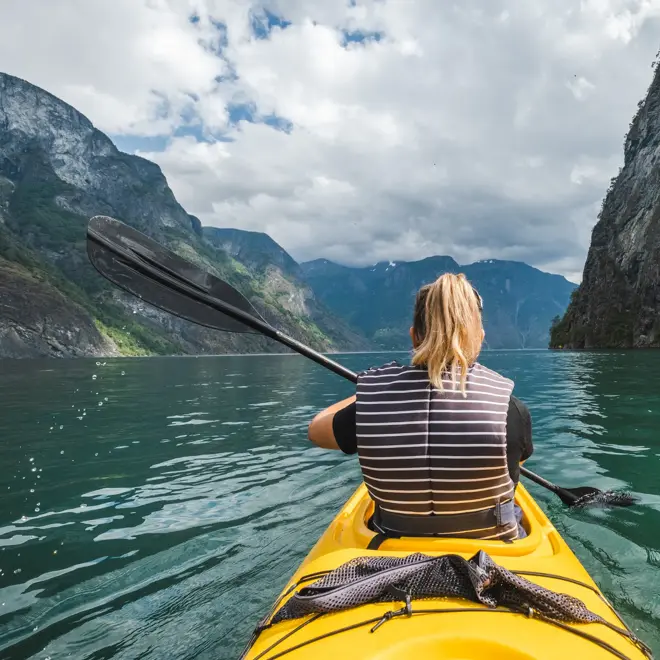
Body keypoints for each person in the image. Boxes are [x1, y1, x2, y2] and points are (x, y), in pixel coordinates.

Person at [307, 273, 533, 541]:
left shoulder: (370, 405)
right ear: (479, 338)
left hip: (392, 556)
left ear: (414, 336)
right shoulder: (511, 409)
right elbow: (517, 460)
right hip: (496, 555)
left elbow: (316, 430)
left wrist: (368, 391)